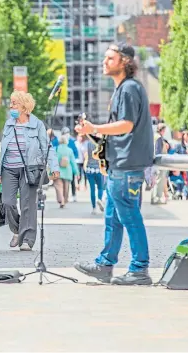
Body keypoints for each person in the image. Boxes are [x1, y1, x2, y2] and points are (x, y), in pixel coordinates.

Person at [74, 42, 154, 286]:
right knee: (113, 217)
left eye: (110, 58)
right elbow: (120, 131)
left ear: (125, 62)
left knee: (129, 216)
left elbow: (126, 125)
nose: (104, 62)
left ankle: (140, 269)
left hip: (127, 165)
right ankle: (105, 264)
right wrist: (91, 132)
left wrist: (95, 127)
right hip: (119, 163)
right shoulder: (124, 89)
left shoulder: (129, 89)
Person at [0, 91, 60, 251]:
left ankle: (28, 240)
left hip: (29, 169)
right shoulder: (9, 123)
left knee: (27, 205)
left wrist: (54, 166)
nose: (11, 106)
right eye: (11, 103)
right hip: (8, 169)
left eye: (14, 103)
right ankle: (17, 230)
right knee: (7, 202)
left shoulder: (37, 124)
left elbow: (47, 147)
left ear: (24, 107)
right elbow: (2, 149)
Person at [53, 135, 79, 209]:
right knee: (66, 188)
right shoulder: (69, 150)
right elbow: (73, 162)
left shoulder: (56, 149)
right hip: (68, 172)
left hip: (58, 171)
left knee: (58, 187)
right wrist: (76, 172)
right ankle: (64, 200)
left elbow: (54, 161)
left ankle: (61, 200)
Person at [84, 138, 105, 213]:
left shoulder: (88, 143)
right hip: (99, 168)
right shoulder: (101, 142)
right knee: (100, 187)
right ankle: (99, 199)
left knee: (92, 189)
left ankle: (94, 208)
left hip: (89, 168)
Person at [151, 123, 170, 204]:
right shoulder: (158, 137)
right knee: (159, 180)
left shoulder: (154, 136)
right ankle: (157, 198)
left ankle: (154, 197)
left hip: (155, 162)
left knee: (155, 180)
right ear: (162, 130)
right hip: (160, 162)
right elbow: (158, 150)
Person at [61, 127, 79, 202]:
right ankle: (64, 197)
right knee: (62, 182)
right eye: (65, 133)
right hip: (61, 165)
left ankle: (73, 195)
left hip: (70, 166)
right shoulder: (60, 141)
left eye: (67, 133)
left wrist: (71, 158)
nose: (66, 134)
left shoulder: (72, 142)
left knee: (71, 181)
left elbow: (76, 153)